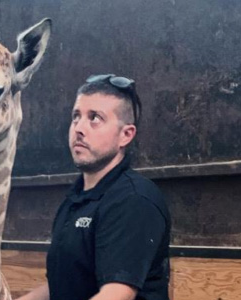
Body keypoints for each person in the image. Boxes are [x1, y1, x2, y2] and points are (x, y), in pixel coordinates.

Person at [17, 74, 171, 300]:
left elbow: (117, 294)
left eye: (95, 118)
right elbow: (60, 288)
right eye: (76, 116)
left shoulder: (135, 200)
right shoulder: (76, 200)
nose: (79, 128)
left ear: (125, 135)